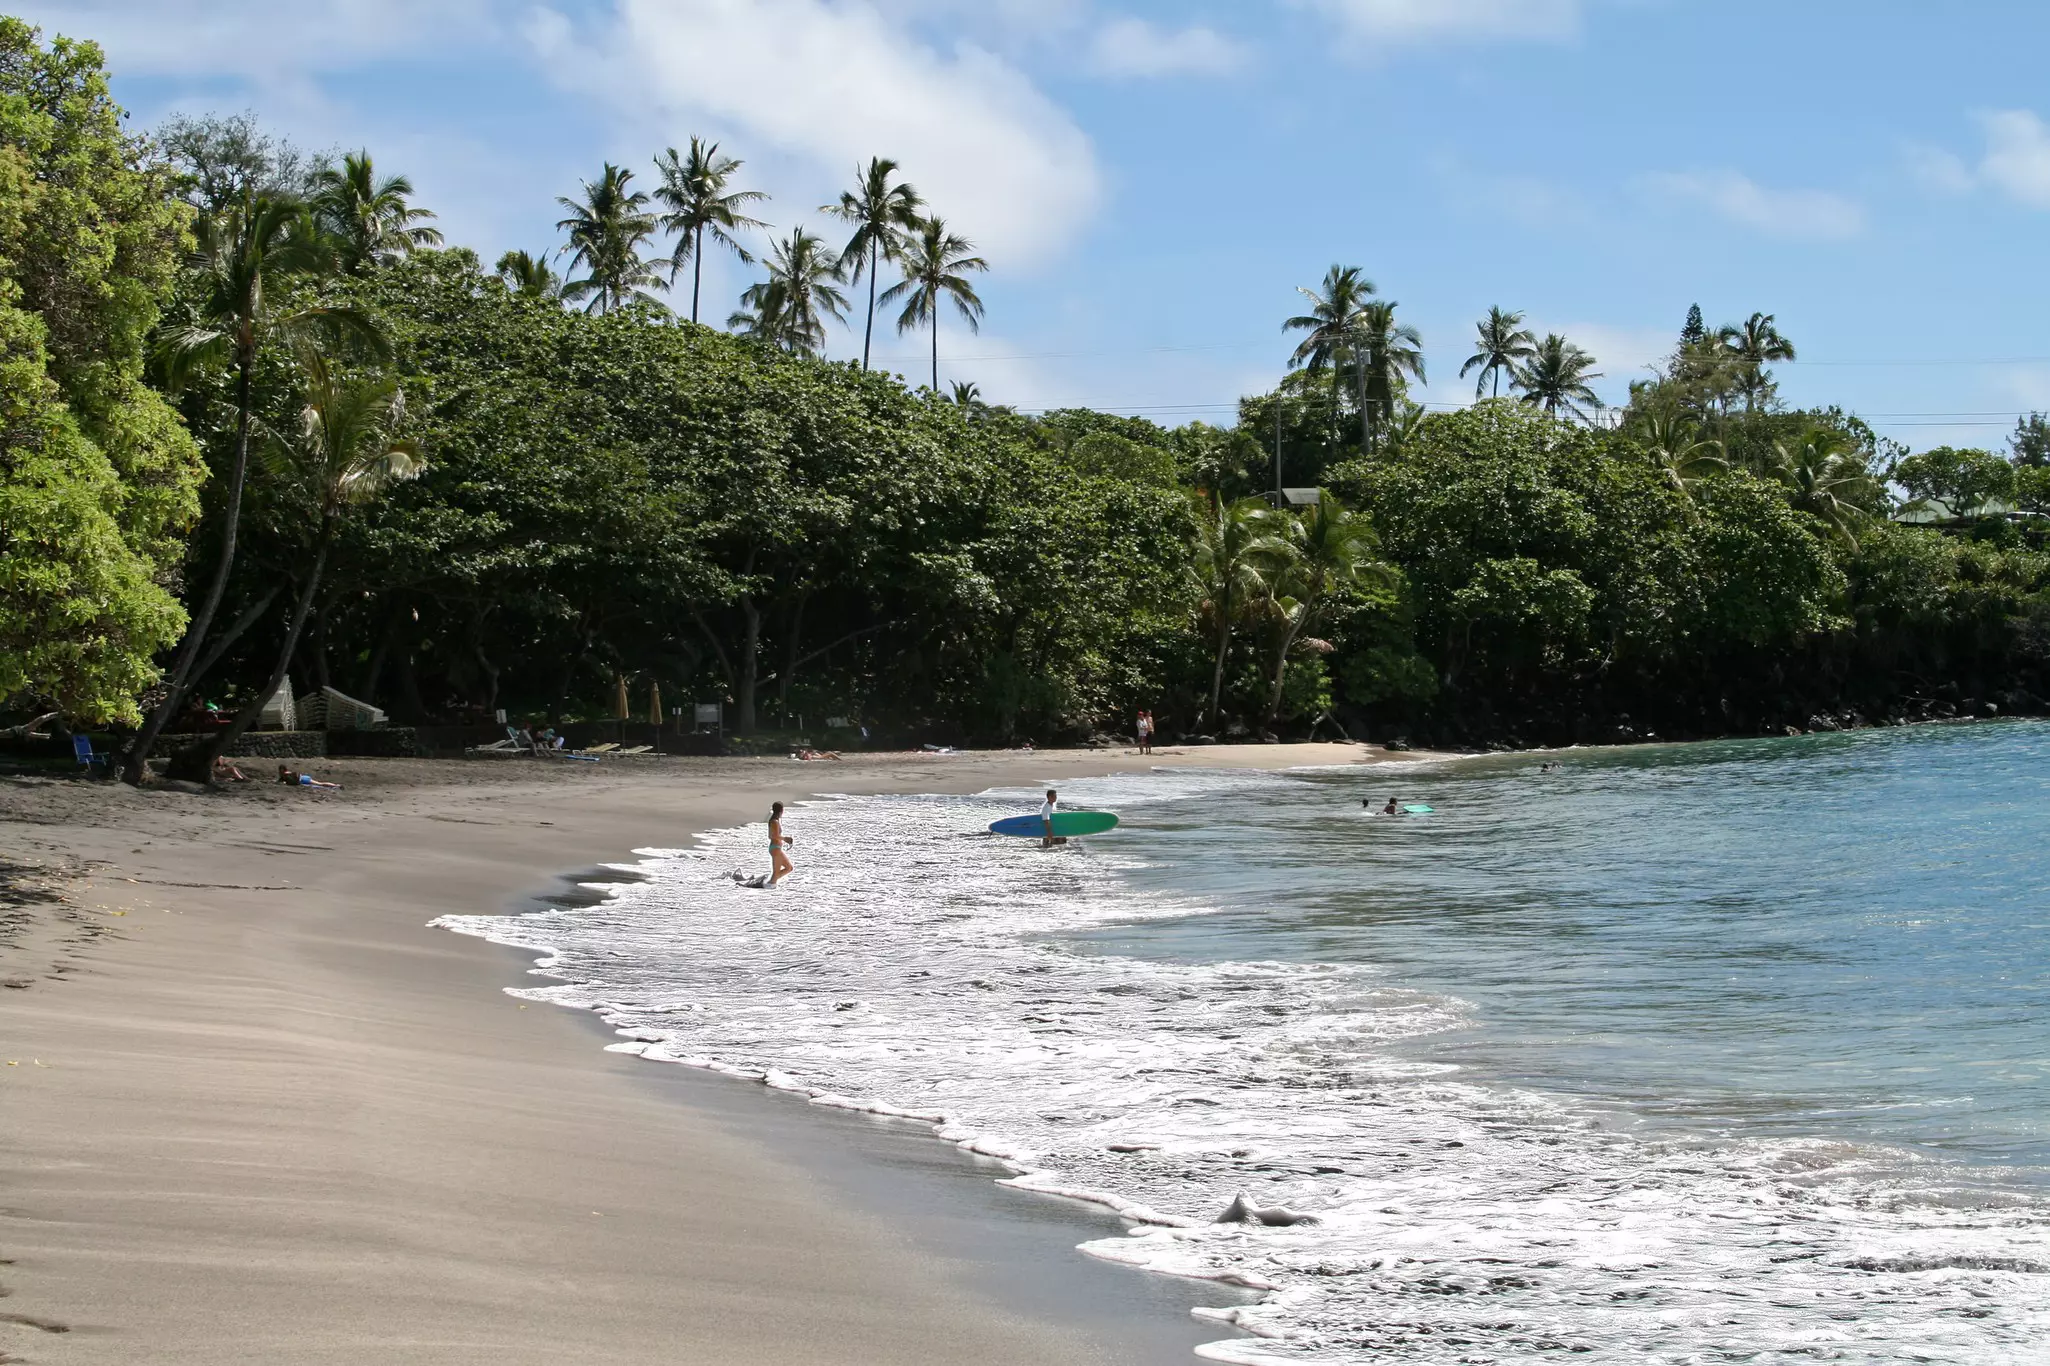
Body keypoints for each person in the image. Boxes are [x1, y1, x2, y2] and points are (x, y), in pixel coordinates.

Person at [767, 801, 795, 887]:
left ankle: (769, 883)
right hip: (775, 849)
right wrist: (785, 839)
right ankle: (770, 887)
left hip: (776, 848)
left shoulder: (774, 820)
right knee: (776, 873)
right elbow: (773, 836)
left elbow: (771, 836)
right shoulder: (774, 821)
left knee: (789, 868)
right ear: (781, 810)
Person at [277, 764, 341, 791]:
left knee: (319, 784)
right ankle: (335, 786)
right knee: (319, 784)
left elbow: (295, 774)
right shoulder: (283, 777)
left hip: (303, 779)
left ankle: (336, 785)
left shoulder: (286, 774)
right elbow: (280, 781)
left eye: (281, 770)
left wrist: (296, 780)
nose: (280, 772)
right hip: (303, 778)